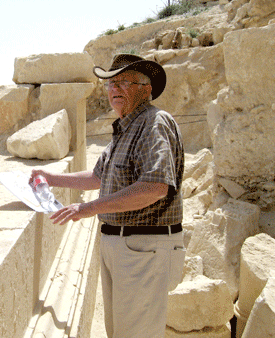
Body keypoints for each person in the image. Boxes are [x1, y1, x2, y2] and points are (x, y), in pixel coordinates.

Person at [30, 54, 185, 338]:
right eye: (111, 83)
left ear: (146, 88)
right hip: (123, 245)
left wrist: (87, 208)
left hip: (144, 247)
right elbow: (98, 177)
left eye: (123, 82)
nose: (114, 89)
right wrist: (51, 178)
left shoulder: (154, 123)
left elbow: (155, 186)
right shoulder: (126, 127)